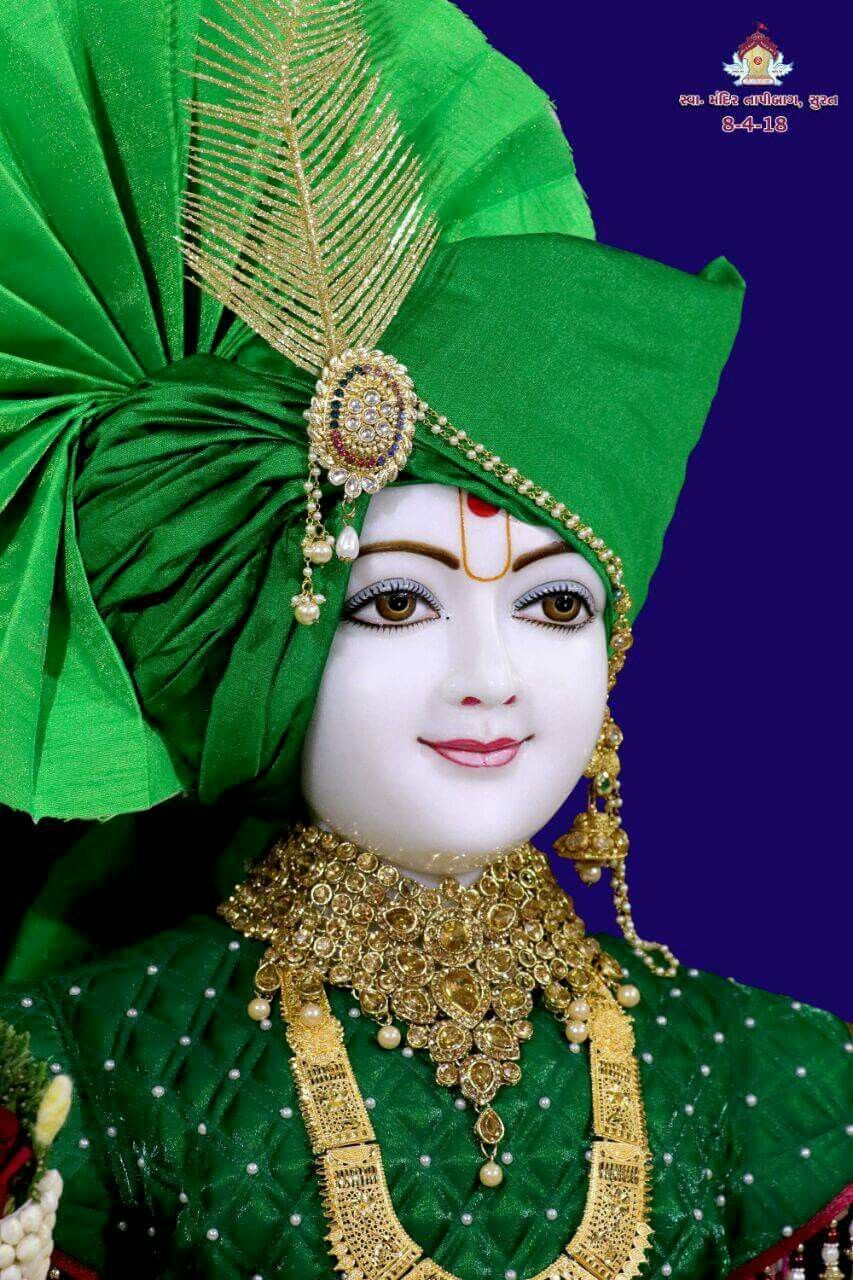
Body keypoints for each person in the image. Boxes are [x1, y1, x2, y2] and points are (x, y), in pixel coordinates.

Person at [0, 0, 849, 1277]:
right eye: (396, 599)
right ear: (265, 645)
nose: (492, 674)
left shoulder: (756, 1071)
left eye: (557, 604)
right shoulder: (93, 1070)